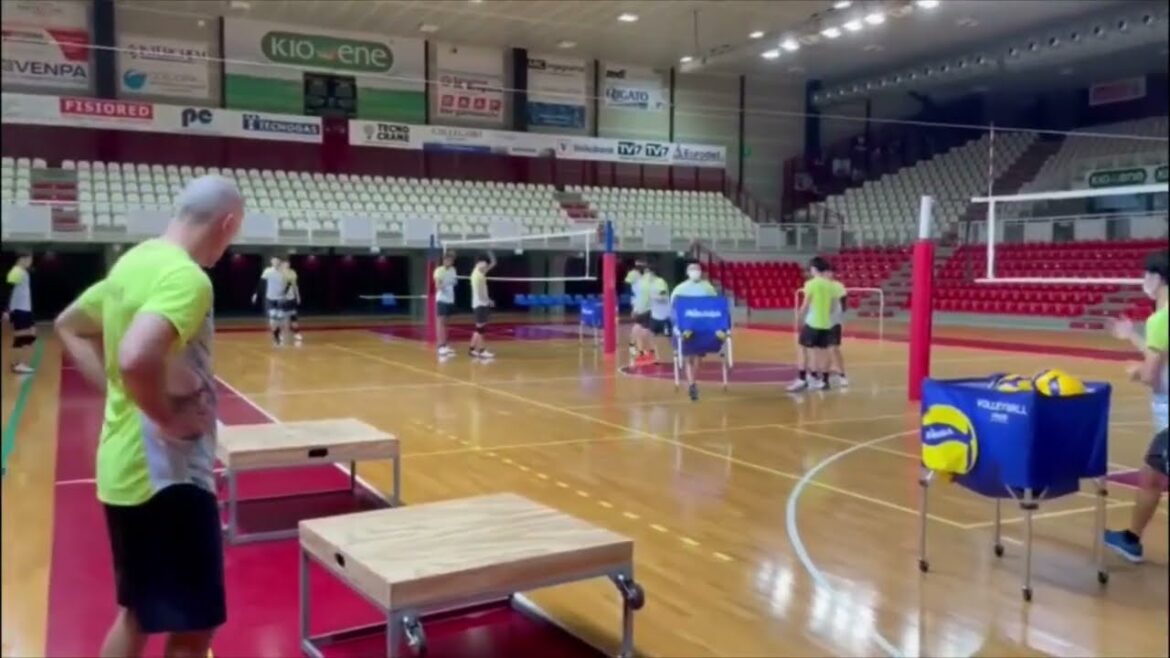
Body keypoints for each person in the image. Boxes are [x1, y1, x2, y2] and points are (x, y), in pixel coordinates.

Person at [53, 175, 243, 658]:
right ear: (228, 223)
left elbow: (69, 325)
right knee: (193, 627)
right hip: (168, 478)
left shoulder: (132, 263)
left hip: (122, 469)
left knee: (138, 613)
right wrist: (165, 416)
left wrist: (122, 389)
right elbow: (138, 356)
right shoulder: (186, 276)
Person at [1104, 248, 1168, 563]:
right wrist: (1132, 337)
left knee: (1151, 474)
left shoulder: (1160, 318)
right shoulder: (1161, 321)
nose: (1144, 281)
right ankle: (1131, 539)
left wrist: (1136, 373)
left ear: (1158, 279)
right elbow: (1162, 356)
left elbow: (1154, 376)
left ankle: (1131, 540)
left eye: (1146, 276)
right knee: (1152, 476)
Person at [787, 256, 842, 392]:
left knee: (802, 349)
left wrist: (798, 317)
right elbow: (833, 306)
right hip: (826, 324)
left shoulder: (811, 284)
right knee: (822, 352)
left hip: (812, 322)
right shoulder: (831, 285)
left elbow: (805, 304)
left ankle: (801, 379)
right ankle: (824, 381)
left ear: (815, 269)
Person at [671, 261, 720, 401]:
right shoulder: (679, 289)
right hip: (686, 328)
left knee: (698, 356)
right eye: (692, 269)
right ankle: (692, 383)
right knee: (688, 357)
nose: (695, 271)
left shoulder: (708, 287)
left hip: (702, 328)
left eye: (697, 269)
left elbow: (715, 307)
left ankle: (693, 381)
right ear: (687, 272)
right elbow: (674, 309)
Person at [3, 252, 36, 374]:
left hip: (26, 310)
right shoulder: (16, 271)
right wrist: (6, 310)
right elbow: (8, 290)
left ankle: (19, 362)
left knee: (31, 334)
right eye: (29, 260)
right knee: (21, 337)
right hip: (19, 310)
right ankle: (17, 364)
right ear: (22, 259)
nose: (30, 262)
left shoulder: (24, 272)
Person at [252, 256, 287, 346]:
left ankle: (278, 334)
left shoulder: (283, 272)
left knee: (280, 319)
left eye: (277, 261)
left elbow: (288, 284)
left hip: (280, 298)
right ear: (271, 261)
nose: (275, 262)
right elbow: (261, 282)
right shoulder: (267, 271)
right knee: (272, 319)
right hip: (270, 298)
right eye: (274, 260)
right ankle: (276, 336)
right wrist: (256, 294)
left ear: (279, 262)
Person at [469, 252, 496, 360]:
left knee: (478, 328)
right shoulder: (477, 276)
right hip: (480, 304)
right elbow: (480, 294)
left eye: (486, 264)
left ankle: (472, 350)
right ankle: (482, 351)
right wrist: (488, 300)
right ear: (478, 263)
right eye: (484, 263)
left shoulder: (480, 271)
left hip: (481, 303)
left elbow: (493, 263)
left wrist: (490, 252)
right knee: (481, 329)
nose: (486, 266)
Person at [825, 266, 849, 388]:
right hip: (820, 323)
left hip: (834, 323)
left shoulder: (838, 286)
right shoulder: (820, 286)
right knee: (823, 350)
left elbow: (843, 304)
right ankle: (824, 376)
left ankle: (842, 375)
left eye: (830, 271)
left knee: (834, 349)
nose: (828, 273)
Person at [629, 261, 657, 366]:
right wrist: (635, 309)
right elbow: (638, 298)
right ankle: (642, 354)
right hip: (641, 310)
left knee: (644, 333)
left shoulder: (652, 283)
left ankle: (649, 353)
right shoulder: (638, 283)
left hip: (649, 310)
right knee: (636, 332)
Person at [433, 251, 457, 359]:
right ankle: (440, 346)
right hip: (441, 299)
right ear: (444, 260)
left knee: (446, 323)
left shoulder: (453, 270)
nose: (449, 261)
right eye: (447, 259)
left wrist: (448, 282)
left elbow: (455, 282)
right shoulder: (439, 270)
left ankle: (445, 345)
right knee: (440, 323)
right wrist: (444, 284)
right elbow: (438, 286)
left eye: (451, 260)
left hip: (450, 300)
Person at [648, 270, 673, 363]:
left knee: (669, 337)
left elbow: (663, 294)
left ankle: (676, 354)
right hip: (655, 315)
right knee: (651, 335)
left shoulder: (660, 282)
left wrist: (655, 297)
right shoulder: (651, 283)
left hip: (665, 316)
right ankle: (656, 356)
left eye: (648, 273)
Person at [625, 258, 646, 358]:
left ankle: (640, 349)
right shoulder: (633, 273)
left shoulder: (644, 275)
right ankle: (632, 345)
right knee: (638, 324)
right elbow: (627, 285)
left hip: (644, 302)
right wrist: (633, 301)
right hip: (637, 303)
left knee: (641, 327)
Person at [281, 259, 302, 344]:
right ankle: (281, 334)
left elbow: (295, 285)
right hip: (282, 299)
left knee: (294, 317)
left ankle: (296, 333)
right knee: (283, 318)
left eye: (287, 264)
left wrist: (298, 296)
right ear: (282, 265)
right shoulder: (279, 273)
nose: (286, 265)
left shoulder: (292, 272)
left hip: (292, 298)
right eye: (284, 264)